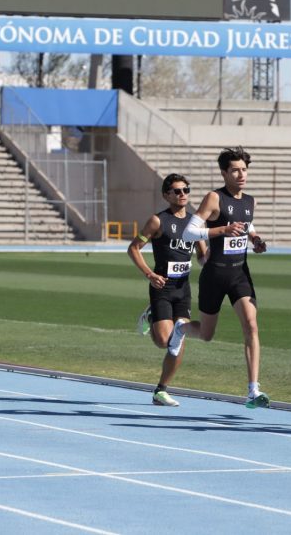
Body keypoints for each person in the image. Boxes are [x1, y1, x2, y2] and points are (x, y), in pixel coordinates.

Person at [177, 146, 270, 409]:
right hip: (214, 275)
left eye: (244, 169)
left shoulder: (250, 201)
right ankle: (180, 328)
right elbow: (188, 233)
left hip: (240, 273)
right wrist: (222, 230)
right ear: (224, 173)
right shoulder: (214, 198)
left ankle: (253, 390)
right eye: (235, 170)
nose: (241, 175)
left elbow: (247, 224)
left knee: (251, 325)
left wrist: (255, 240)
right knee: (206, 334)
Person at [127, 173, 208, 407]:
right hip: (161, 286)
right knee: (163, 341)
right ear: (166, 195)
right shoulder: (157, 221)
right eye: (177, 191)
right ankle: (152, 314)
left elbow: (202, 255)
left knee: (178, 339)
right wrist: (150, 274)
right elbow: (134, 248)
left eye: (186, 190)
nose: (183, 194)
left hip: (183, 288)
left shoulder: (195, 223)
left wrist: (212, 261)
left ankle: (161, 390)